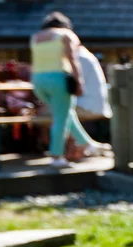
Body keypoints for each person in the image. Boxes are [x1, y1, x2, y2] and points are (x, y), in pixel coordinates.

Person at [30, 12, 100, 167]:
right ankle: (56, 157)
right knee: (61, 119)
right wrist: (79, 81)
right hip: (58, 79)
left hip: (38, 81)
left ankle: (86, 143)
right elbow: (72, 59)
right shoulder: (66, 35)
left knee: (65, 112)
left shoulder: (36, 37)